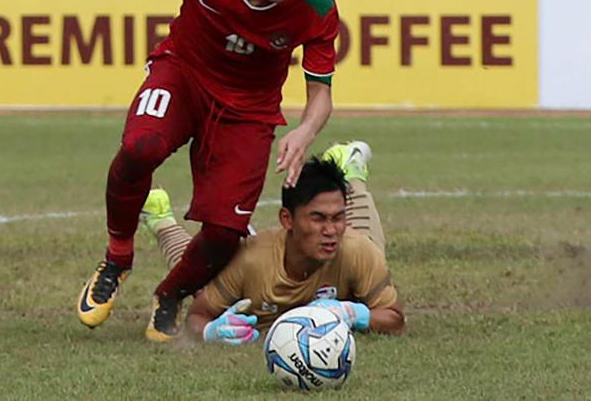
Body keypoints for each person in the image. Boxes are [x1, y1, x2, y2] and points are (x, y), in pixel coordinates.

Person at [49, 0, 340, 341]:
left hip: (248, 110)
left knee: (226, 232)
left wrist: (305, 130)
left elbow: (321, 93)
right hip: (182, 74)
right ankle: (117, 258)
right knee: (140, 148)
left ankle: (171, 295)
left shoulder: (314, 6)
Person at [138, 144, 404, 341]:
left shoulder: (355, 250)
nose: (331, 230)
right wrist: (211, 332)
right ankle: (161, 218)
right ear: (287, 220)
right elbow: (196, 317)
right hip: (255, 262)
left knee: (365, 242)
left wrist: (352, 314)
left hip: (356, 254)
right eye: (318, 219)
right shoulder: (251, 261)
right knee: (200, 275)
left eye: (337, 219)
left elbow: (395, 319)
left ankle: (350, 169)